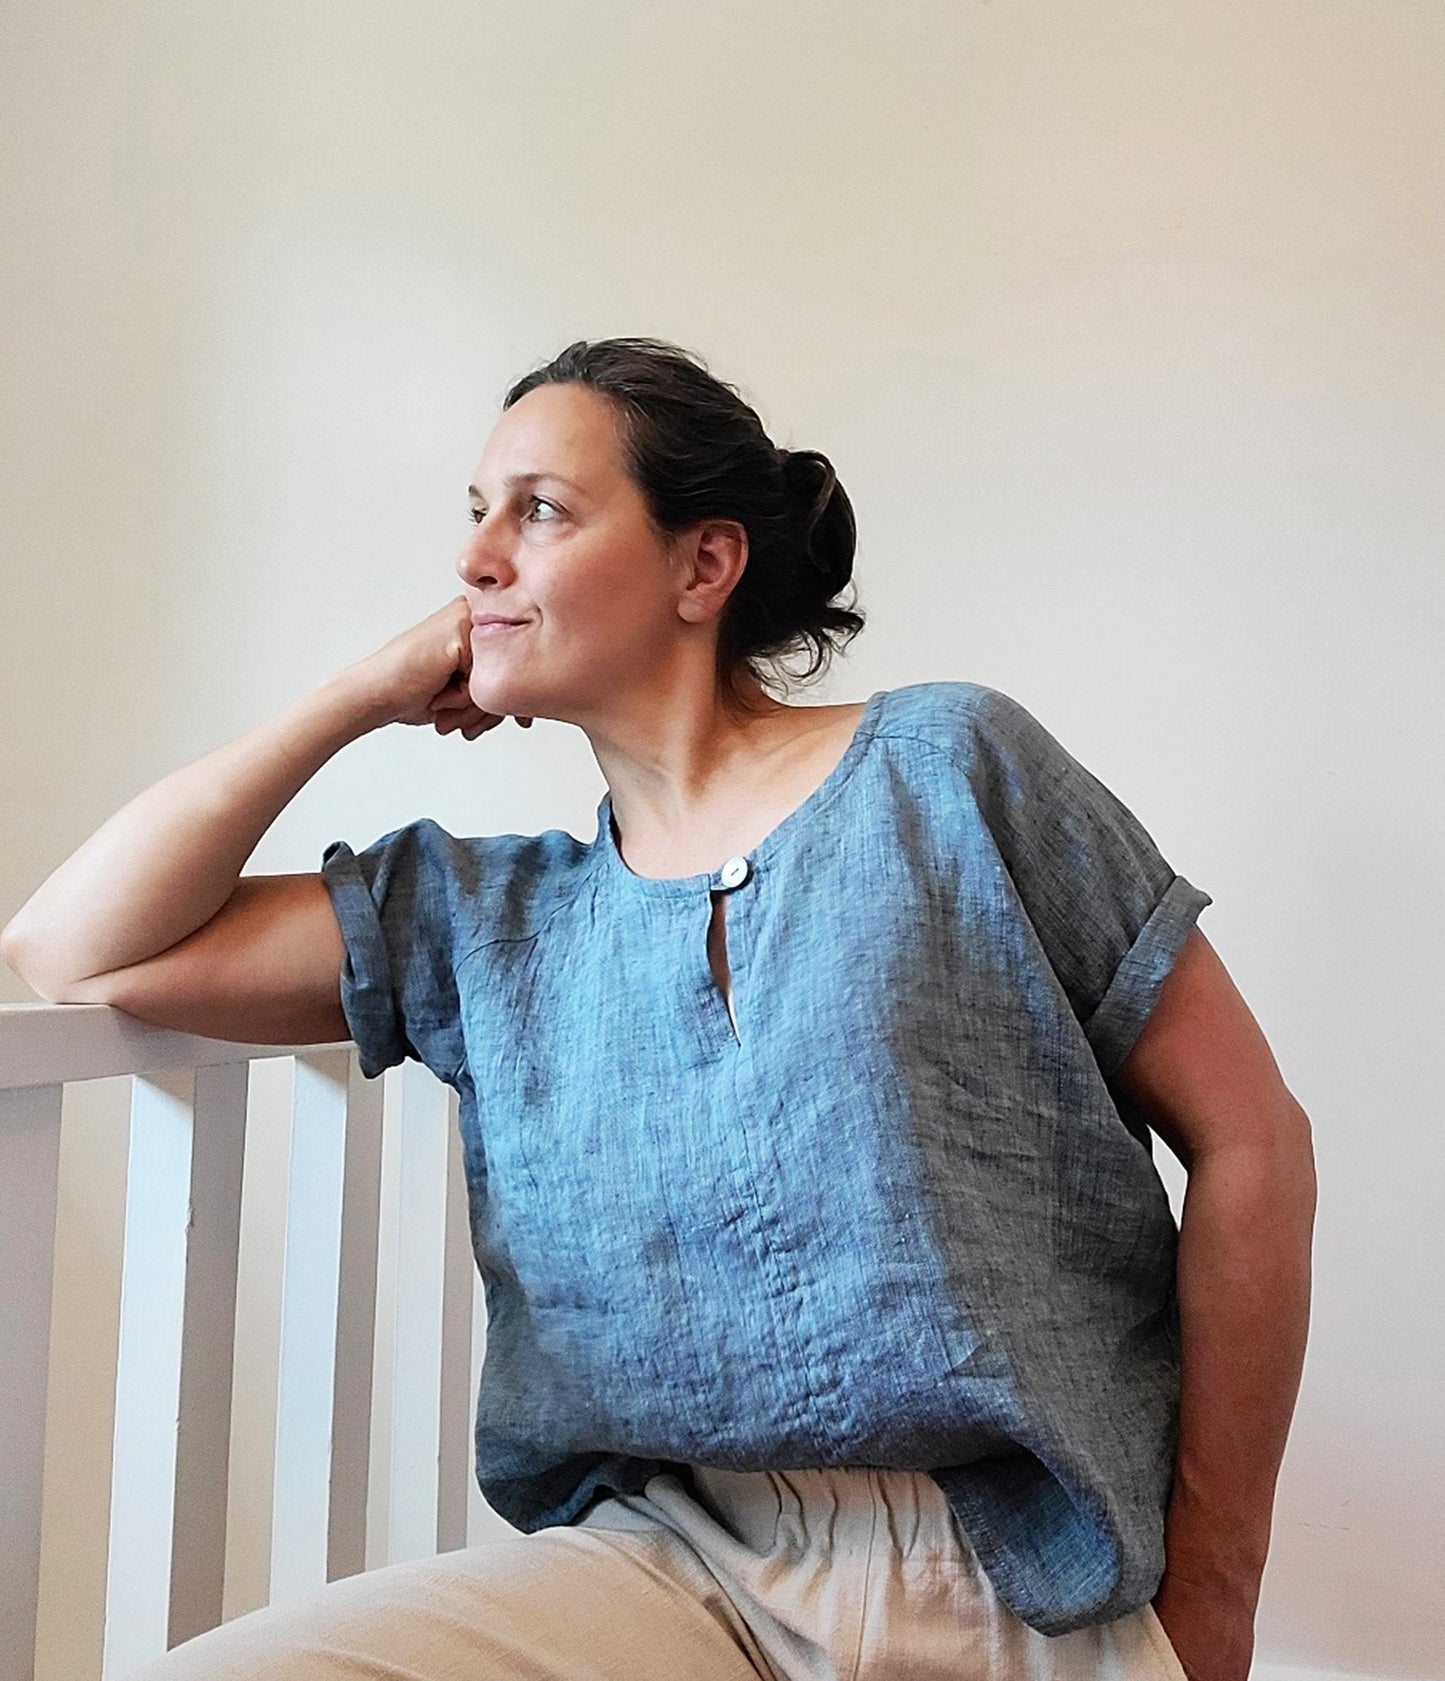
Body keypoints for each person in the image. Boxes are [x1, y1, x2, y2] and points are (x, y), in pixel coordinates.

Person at [1, 337, 1316, 1681]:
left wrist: (1216, 1589)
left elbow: (1253, 1140)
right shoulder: (483, 918)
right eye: (476, 513)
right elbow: (71, 945)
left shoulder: (949, 770)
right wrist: (355, 697)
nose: (475, 559)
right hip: (670, 1576)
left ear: (704, 566)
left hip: (1024, 1583)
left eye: (541, 510)